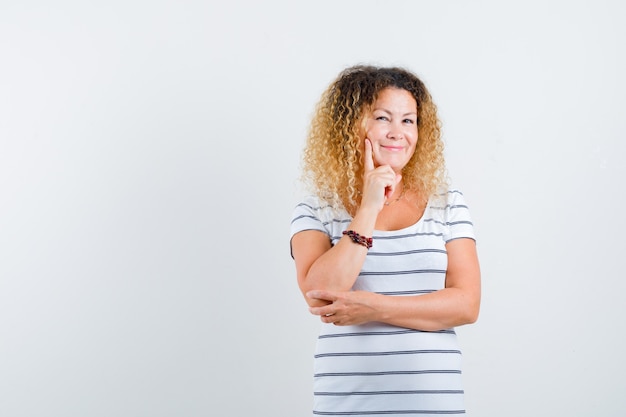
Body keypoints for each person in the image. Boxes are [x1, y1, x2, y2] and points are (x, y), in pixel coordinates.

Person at [289, 65, 481, 416]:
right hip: (346, 403)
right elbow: (319, 295)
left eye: (409, 121)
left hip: (433, 404)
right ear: (351, 125)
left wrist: (376, 308)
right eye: (383, 118)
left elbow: (466, 305)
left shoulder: (446, 202)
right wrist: (368, 208)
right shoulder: (318, 206)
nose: (398, 133)